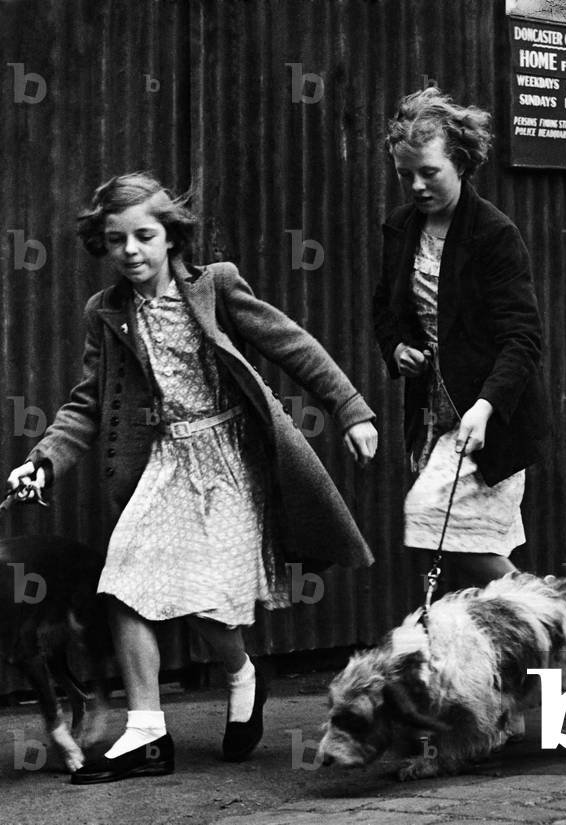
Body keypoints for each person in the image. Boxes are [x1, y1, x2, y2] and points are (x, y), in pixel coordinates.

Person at [5, 173, 378, 783]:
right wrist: (42, 459)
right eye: (116, 239)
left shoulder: (215, 286)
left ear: (170, 236)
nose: (130, 251)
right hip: (165, 461)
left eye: (144, 236)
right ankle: (148, 735)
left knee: (207, 606)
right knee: (123, 580)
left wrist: (351, 409)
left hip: (229, 455)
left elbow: (294, 346)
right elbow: (88, 403)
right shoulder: (108, 312)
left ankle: (240, 675)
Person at [372, 88, 549, 590]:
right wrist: (397, 349)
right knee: (463, 549)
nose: (417, 185)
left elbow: (523, 337)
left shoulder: (494, 234)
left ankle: (553, 625)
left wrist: (486, 407)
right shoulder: (401, 227)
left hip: (489, 420)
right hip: (431, 416)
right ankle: (516, 656)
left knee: (435, 521)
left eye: (430, 172)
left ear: (461, 163)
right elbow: (384, 309)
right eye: (405, 174)